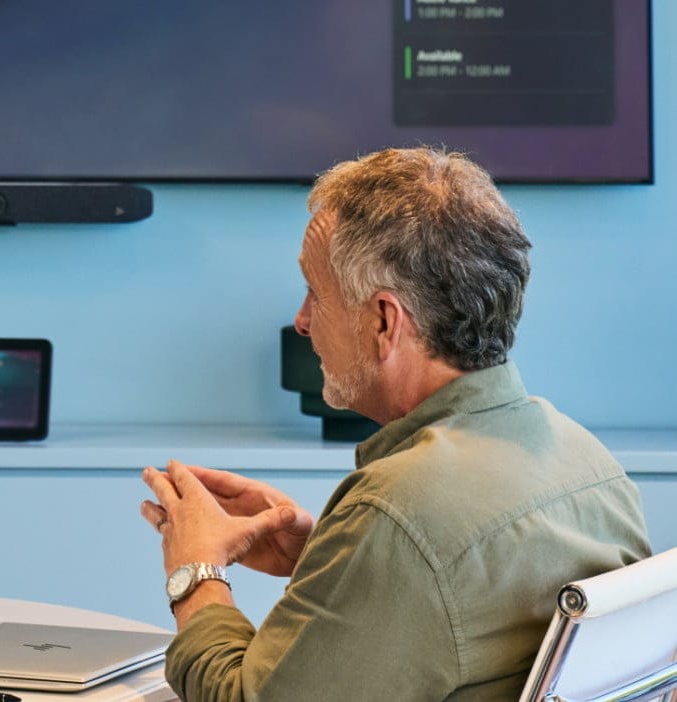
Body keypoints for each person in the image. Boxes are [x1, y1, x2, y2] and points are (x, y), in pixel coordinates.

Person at [137, 148, 651, 701]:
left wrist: (196, 576)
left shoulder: (399, 514)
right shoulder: (591, 464)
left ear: (384, 321)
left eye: (316, 292)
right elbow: (467, 612)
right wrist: (328, 559)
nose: (302, 321)